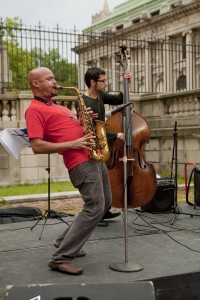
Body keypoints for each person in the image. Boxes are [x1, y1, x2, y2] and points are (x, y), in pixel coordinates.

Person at [25, 67, 112, 275]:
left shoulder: (58, 107)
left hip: (93, 156)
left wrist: (86, 121)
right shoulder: (34, 109)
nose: (55, 82)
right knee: (95, 207)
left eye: (54, 77)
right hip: (79, 161)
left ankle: (63, 240)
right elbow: (37, 146)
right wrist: (74, 144)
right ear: (36, 83)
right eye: (50, 79)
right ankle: (60, 258)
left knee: (106, 203)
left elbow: (74, 128)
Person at [82, 67, 132, 221]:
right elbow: (93, 129)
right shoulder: (84, 102)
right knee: (96, 189)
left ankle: (103, 211)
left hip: (101, 148)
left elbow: (119, 100)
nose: (105, 84)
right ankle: (94, 215)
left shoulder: (100, 96)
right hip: (91, 149)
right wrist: (116, 135)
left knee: (105, 188)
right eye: (103, 81)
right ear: (92, 82)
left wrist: (127, 82)